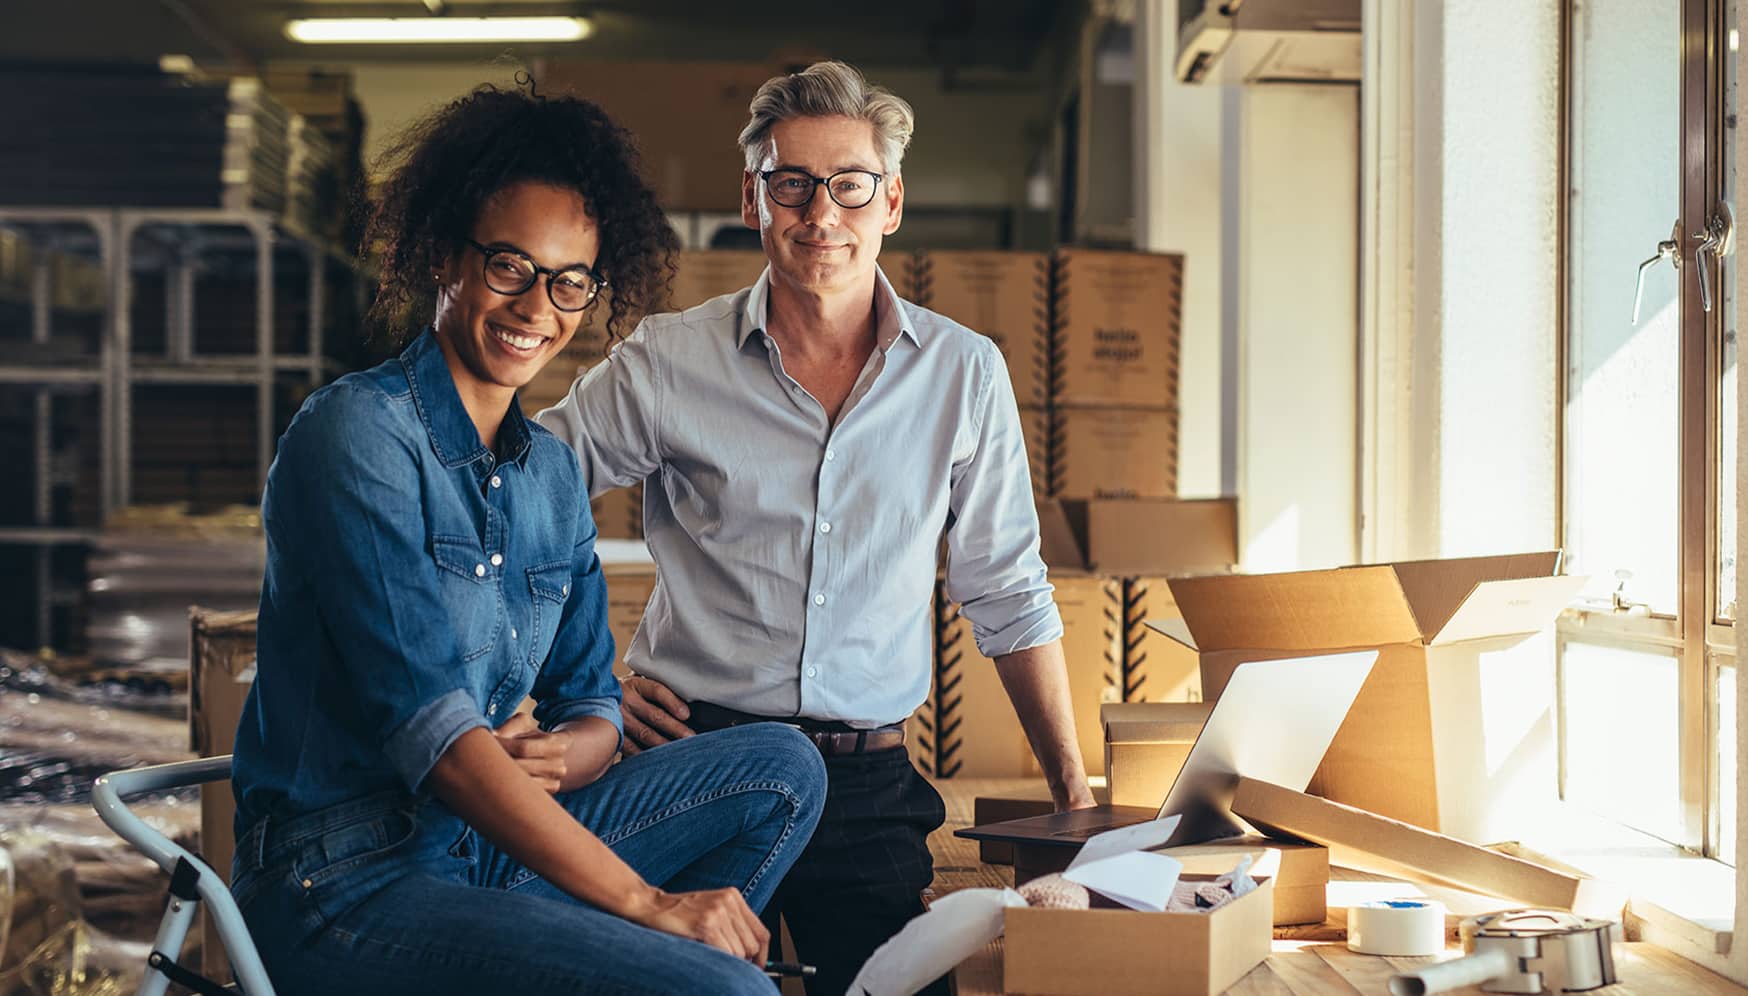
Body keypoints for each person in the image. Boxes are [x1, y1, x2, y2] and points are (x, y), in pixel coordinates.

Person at [227, 82, 825, 996]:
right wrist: (648, 905)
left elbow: (591, 704)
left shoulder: (547, 472)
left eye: (569, 281)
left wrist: (564, 750)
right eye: (509, 265)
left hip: (484, 852)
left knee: (785, 767)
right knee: (728, 989)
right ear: (442, 258)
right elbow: (434, 734)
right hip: (344, 883)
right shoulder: (355, 438)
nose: (536, 307)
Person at [538, 60, 1095, 995]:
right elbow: (518, 503)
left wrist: (1074, 799)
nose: (820, 213)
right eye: (790, 183)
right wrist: (585, 693)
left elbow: (1004, 590)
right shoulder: (669, 362)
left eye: (848, 185)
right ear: (752, 198)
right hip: (693, 763)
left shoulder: (964, 375)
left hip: (867, 785)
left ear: (892, 202)